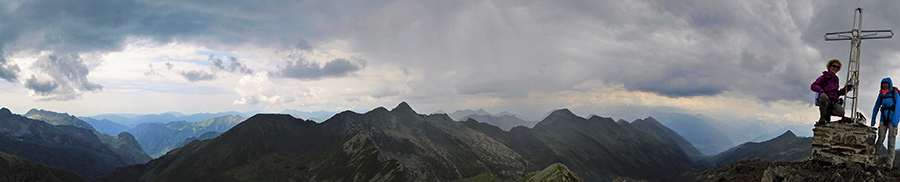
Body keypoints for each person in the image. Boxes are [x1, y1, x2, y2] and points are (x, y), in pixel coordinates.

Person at [811, 59, 853, 123]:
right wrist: (821, 91)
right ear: (829, 67)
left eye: (838, 67)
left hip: (833, 101)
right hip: (826, 99)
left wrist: (845, 90)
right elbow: (813, 86)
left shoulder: (836, 79)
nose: (835, 68)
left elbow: (836, 93)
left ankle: (827, 113)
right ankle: (823, 117)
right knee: (823, 97)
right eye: (834, 66)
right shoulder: (824, 77)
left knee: (841, 112)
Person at [872, 77, 899, 169]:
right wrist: (873, 119)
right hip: (883, 120)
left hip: (892, 121)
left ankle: (889, 164)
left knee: (891, 142)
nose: (885, 85)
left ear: (890, 84)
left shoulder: (895, 93)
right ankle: (874, 160)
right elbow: (876, 106)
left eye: (886, 83)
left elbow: (898, 107)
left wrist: (895, 122)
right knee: (880, 139)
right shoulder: (881, 94)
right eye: (883, 83)